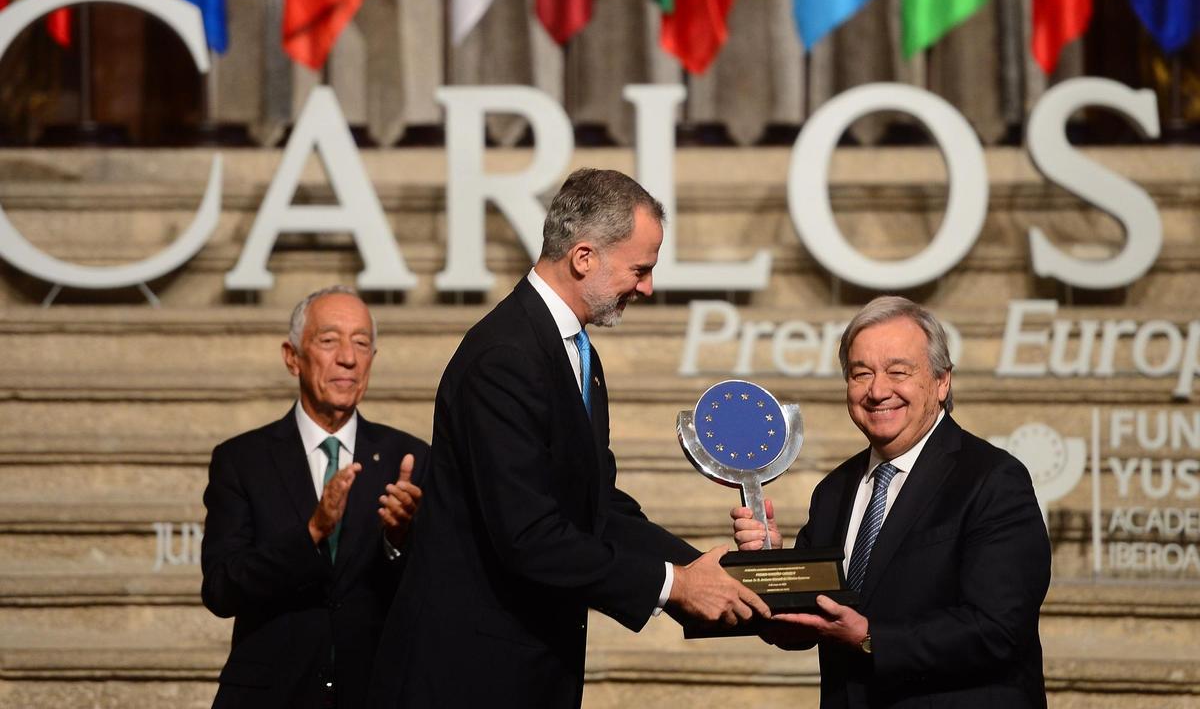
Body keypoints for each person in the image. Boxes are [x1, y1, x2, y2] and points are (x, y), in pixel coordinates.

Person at [368, 168, 769, 708]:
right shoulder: (504, 357)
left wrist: (703, 571)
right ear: (584, 258)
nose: (647, 287)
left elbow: (598, 506)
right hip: (469, 676)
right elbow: (529, 535)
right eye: (640, 269)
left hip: (528, 669)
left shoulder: (572, 350)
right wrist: (674, 584)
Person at [733, 296, 1050, 708]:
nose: (878, 391)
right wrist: (773, 573)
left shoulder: (993, 480)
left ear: (942, 382)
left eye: (898, 372)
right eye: (861, 373)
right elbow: (806, 624)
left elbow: (998, 629)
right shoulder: (833, 491)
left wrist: (869, 637)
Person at [202, 286, 428, 709]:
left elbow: (435, 597)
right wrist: (312, 532)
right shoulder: (242, 461)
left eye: (362, 343)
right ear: (292, 357)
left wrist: (398, 540)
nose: (348, 357)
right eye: (329, 340)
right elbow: (221, 589)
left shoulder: (409, 460)